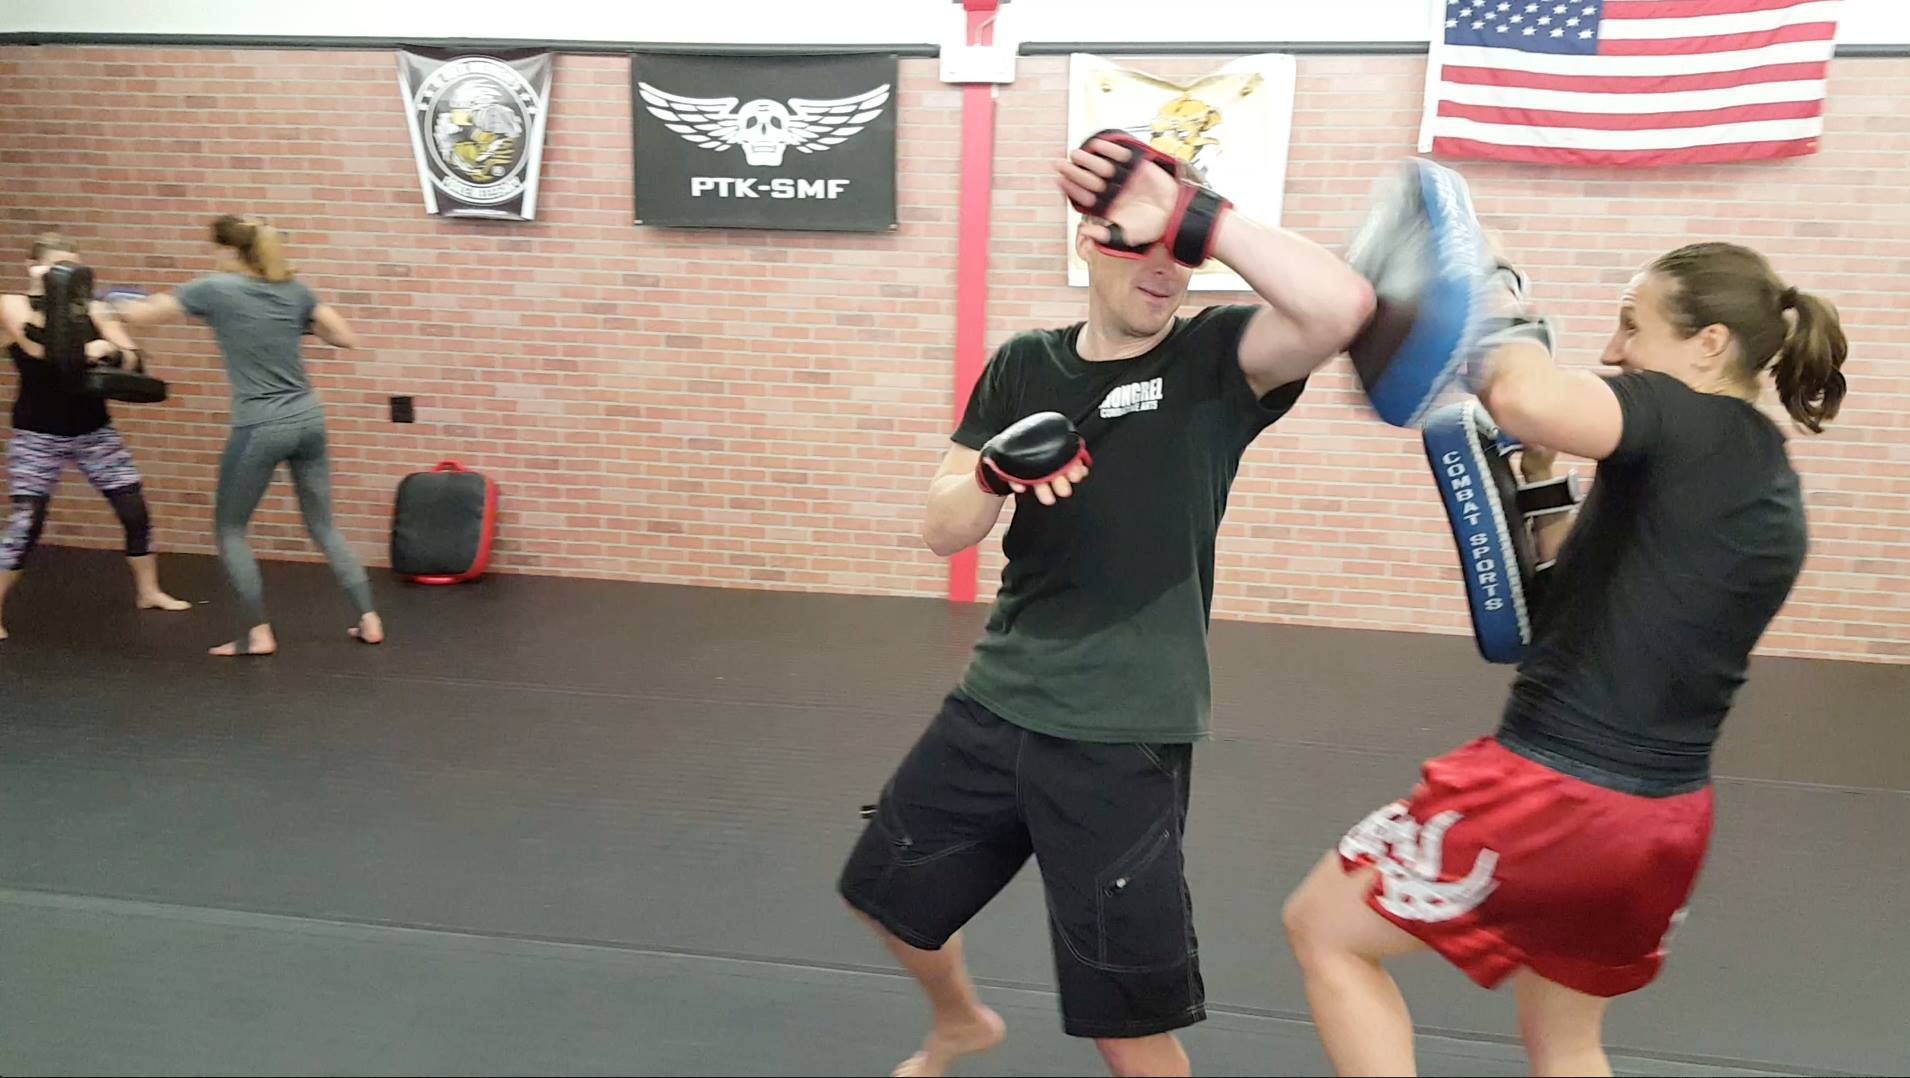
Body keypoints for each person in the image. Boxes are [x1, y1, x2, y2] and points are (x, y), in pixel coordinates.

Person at [835, 137, 1376, 1077]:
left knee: (1124, 1024)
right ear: (1090, 240)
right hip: (996, 701)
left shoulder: (1218, 358)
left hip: (1123, 730)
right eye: (1141, 243)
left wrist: (1193, 214)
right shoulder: (1024, 365)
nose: (1167, 268)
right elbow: (941, 530)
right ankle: (961, 1023)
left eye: (1184, 249)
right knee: (886, 897)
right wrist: (993, 474)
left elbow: (1342, 307)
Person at [1280, 241, 1848, 1077]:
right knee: (1568, 1044)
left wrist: (1492, 296)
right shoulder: (1758, 469)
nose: (1615, 351)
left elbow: (1524, 395)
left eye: (1632, 326)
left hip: (1556, 793)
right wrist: (1544, 478)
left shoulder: (1682, 415)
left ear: (1709, 344)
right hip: (1662, 822)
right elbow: (1577, 588)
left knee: (1325, 932)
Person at [109, 215, 383, 657]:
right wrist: (292, 323)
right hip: (309, 419)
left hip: (260, 424)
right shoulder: (294, 290)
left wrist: (102, 306)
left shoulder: (214, 288)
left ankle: (258, 634)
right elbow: (345, 336)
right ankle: (369, 619)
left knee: (230, 530)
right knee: (323, 526)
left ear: (228, 251)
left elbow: (141, 317)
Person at [0, 233, 192, 641]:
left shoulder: (94, 309)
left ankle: (149, 592)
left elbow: (134, 359)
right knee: (26, 524)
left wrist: (112, 350)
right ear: (33, 268)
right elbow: (37, 348)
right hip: (37, 434)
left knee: (134, 509)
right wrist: (83, 336)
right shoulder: (13, 303)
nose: (64, 277)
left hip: (93, 430)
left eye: (71, 269)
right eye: (56, 269)